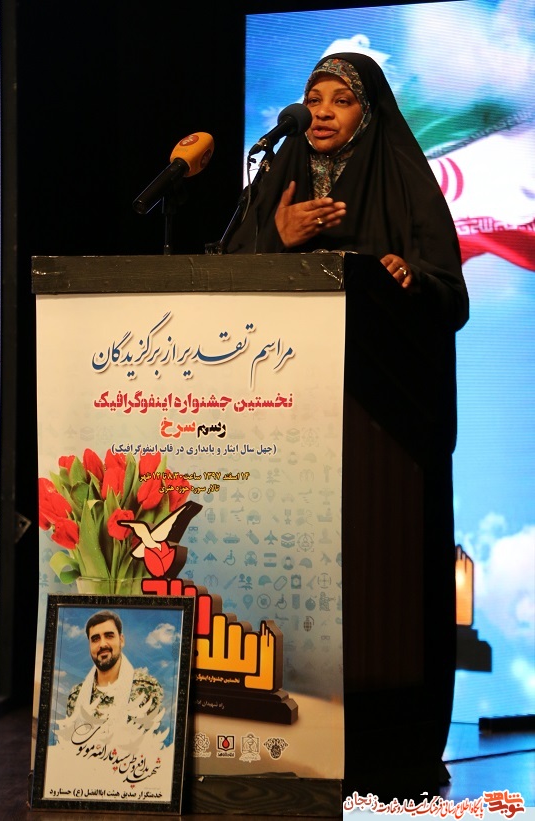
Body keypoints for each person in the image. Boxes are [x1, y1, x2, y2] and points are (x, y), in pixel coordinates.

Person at [226, 52, 469, 786]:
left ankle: (388, 744)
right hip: (284, 417)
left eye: (341, 100)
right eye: (314, 97)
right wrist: (278, 237)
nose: (323, 111)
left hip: (382, 431)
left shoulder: (403, 177)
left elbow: (449, 292)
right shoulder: (277, 176)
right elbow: (226, 277)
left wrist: (405, 277)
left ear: (370, 113)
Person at [66, 609, 163, 726]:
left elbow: (152, 735)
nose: (102, 644)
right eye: (95, 639)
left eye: (109, 636)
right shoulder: (76, 696)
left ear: (121, 640)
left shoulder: (148, 688)